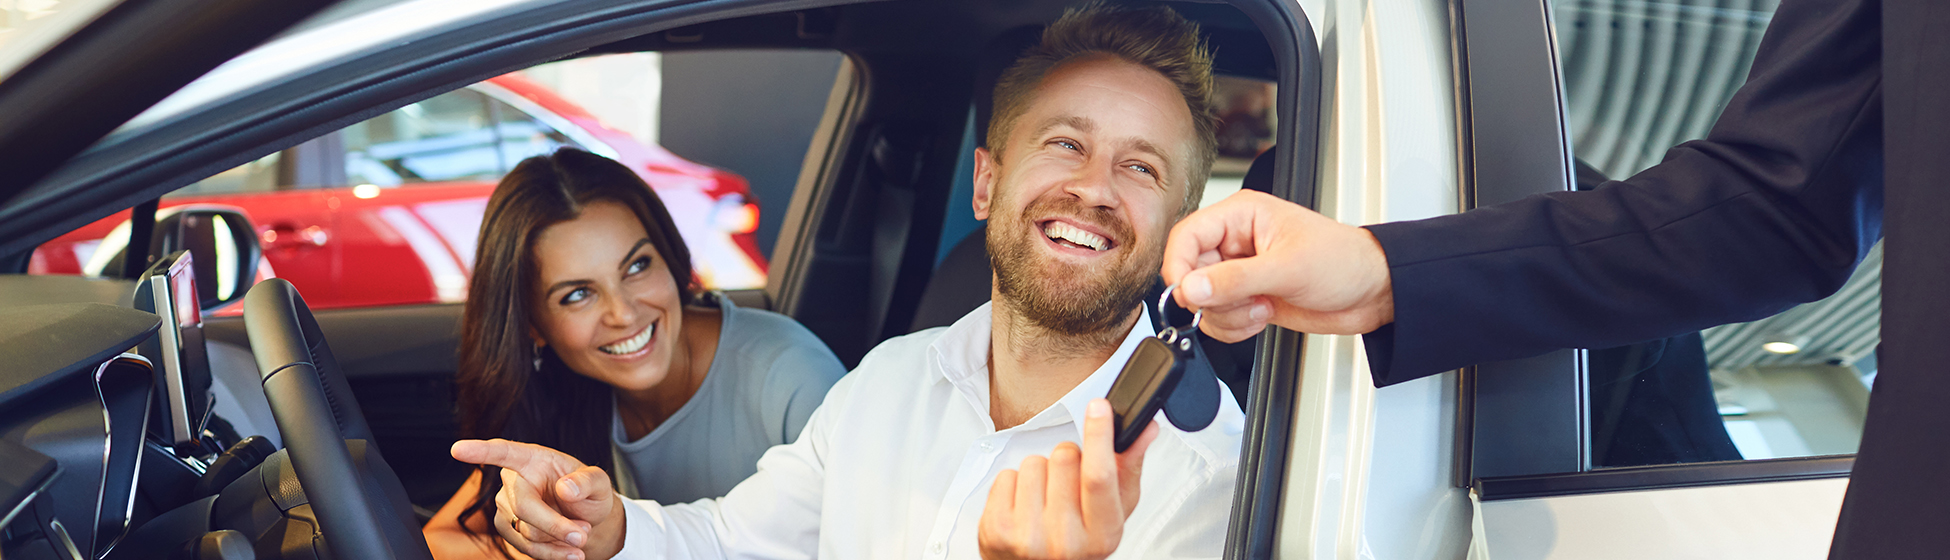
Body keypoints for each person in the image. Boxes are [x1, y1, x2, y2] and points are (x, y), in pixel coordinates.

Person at [449, 5, 1246, 560]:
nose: (1097, 188)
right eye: (1066, 144)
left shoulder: (1202, 478)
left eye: (1141, 166)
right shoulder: (891, 379)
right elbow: (734, 542)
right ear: (985, 185)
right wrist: (612, 529)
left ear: (1178, 226)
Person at [423, 148, 847, 559]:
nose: (623, 313)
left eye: (638, 267)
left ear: (669, 255)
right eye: (578, 294)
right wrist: (543, 550)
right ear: (532, 326)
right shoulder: (558, 391)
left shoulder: (792, 378)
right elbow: (437, 541)